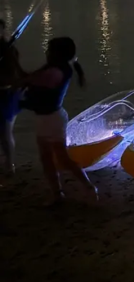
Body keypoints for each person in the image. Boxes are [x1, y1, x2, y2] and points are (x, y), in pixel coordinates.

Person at [20, 37, 97, 204]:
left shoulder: (56, 72)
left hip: (53, 120)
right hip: (43, 118)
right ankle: (57, 194)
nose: (47, 53)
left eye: (50, 50)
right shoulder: (53, 68)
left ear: (58, 53)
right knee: (45, 158)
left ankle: (89, 188)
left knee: (63, 159)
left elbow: (29, 80)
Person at [0, 19, 25, 175]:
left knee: (5, 131)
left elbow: (15, 74)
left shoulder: (9, 50)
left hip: (6, 94)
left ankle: (10, 165)